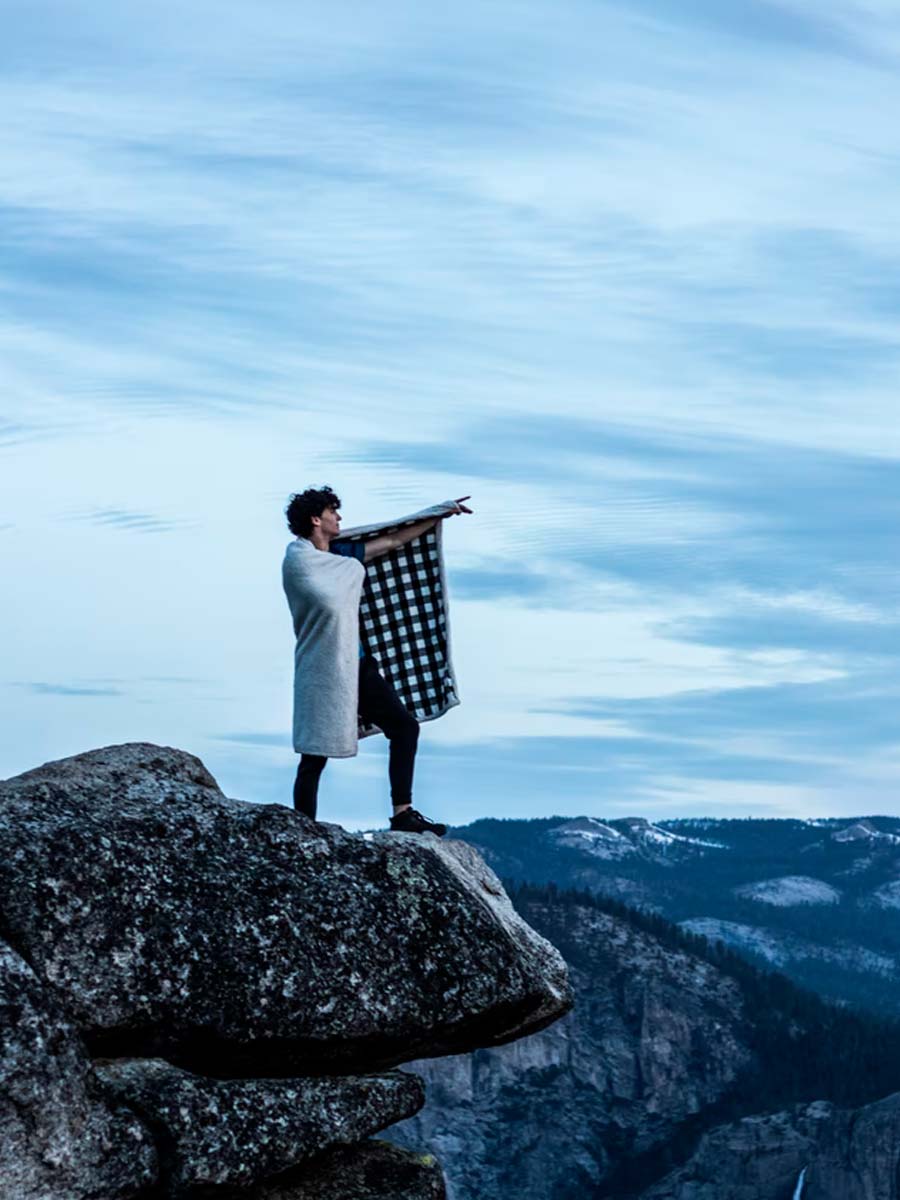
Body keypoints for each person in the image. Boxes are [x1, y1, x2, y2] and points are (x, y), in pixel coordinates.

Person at [282, 486, 472, 835]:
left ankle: (403, 812)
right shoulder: (299, 561)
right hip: (321, 668)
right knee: (313, 754)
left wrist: (438, 513)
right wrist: (348, 570)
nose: (338, 517)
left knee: (404, 727)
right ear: (315, 519)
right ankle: (302, 829)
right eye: (332, 512)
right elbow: (324, 595)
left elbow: (391, 542)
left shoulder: (342, 555)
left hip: (357, 665)